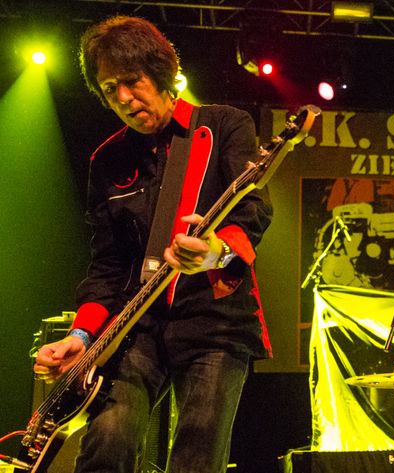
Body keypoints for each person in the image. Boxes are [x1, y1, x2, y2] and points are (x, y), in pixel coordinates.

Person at [32, 16, 272, 473]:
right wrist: (81, 336)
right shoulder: (107, 160)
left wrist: (213, 253)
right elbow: (107, 265)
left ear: (160, 73)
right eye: (109, 89)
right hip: (136, 327)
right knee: (106, 443)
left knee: (196, 459)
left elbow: (254, 211)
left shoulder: (222, 126)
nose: (123, 98)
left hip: (214, 323)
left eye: (131, 81)